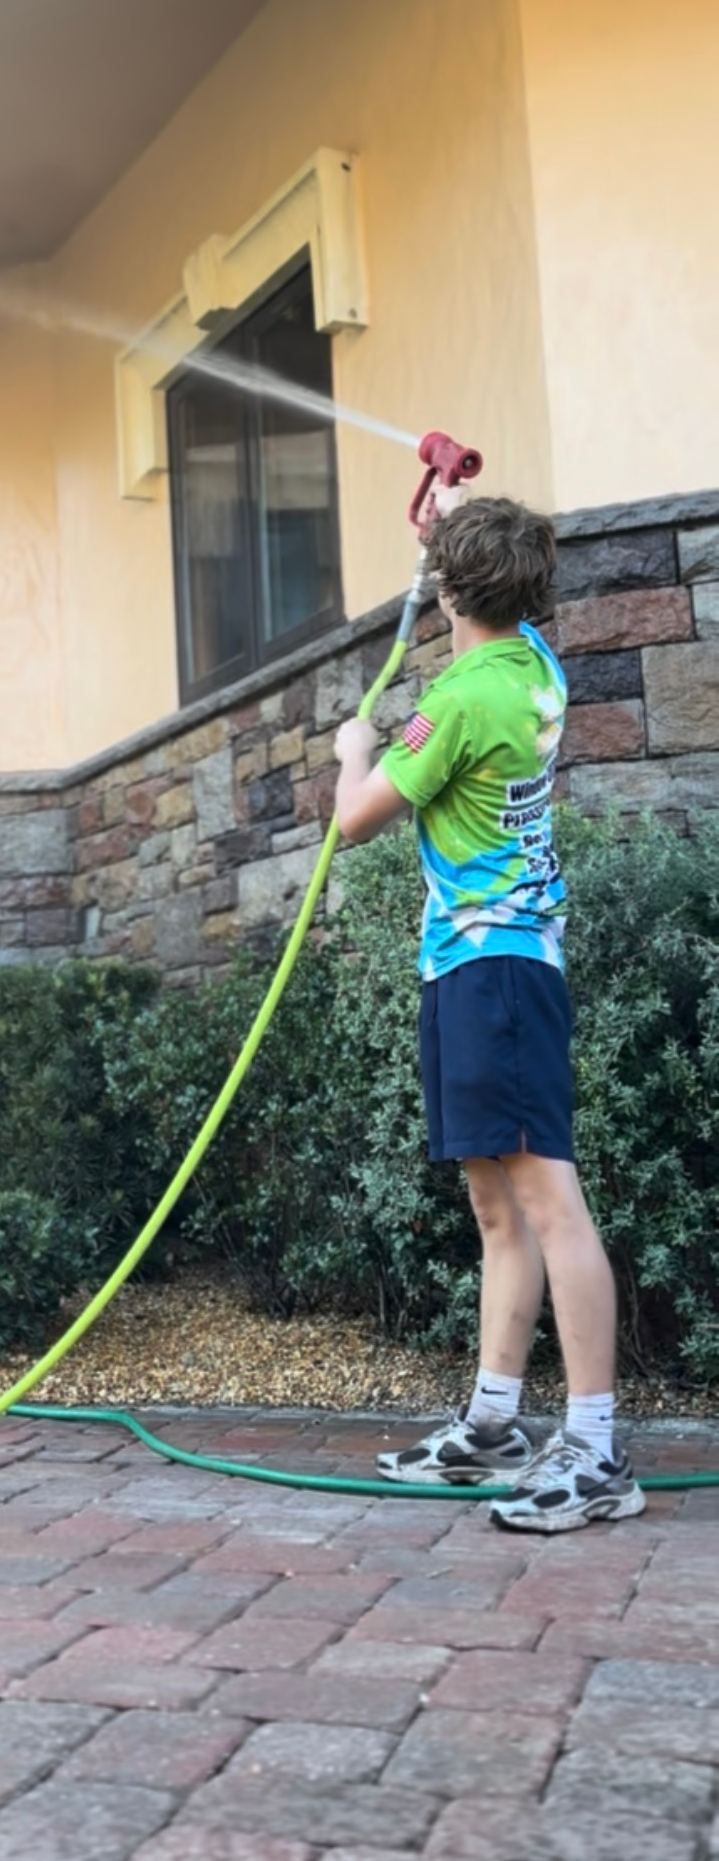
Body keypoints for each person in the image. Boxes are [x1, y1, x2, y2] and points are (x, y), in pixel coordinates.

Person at [332, 492, 644, 1532]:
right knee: (495, 1205)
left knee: (547, 1202)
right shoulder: (532, 668)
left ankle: (596, 1451)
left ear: (451, 594)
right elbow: (485, 586)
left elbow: (357, 821)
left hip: (493, 970)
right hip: (486, 965)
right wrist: (445, 530)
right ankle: (495, 1427)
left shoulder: (463, 697)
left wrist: (351, 749)